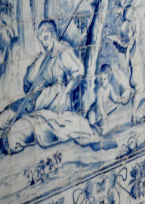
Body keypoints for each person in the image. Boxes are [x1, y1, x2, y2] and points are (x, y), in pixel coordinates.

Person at [0, 20, 111, 153]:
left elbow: (78, 74)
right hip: (33, 100)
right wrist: (37, 63)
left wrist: (64, 93)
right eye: (41, 40)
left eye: (46, 38)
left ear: (53, 34)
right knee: (3, 118)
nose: (44, 43)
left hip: (53, 102)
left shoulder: (64, 52)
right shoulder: (45, 57)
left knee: (14, 135)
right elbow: (28, 85)